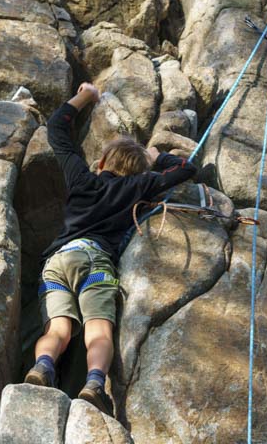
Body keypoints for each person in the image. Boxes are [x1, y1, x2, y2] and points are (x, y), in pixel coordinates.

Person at [24, 82, 197, 415]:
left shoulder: (82, 178)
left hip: (58, 260)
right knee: (98, 327)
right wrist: (156, 157)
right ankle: (93, 384)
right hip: (97, 261)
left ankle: (43, 365)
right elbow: (185, 170)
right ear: (138, 170)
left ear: (101, 162)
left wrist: (86, 95)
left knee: (57, 327)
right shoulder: (139, 185)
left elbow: (57, 127)